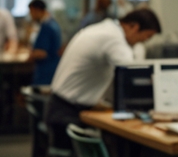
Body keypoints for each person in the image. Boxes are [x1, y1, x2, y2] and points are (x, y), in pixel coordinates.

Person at [46, 8, 161, 136]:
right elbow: (132, 72)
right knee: (117, 140)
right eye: (146, 37)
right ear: (134, 27)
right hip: (67, 114)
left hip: (63, 106)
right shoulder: (113, 38)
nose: (144, 42)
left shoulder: (106, 29)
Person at [27, 0, 61, 86]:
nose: (31, 16)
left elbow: (42, 53)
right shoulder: (53, 23)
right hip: (52, 69)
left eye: (31, 12)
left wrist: (31, 54)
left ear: (37, 10)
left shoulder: (46, 27)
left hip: (46, 71)